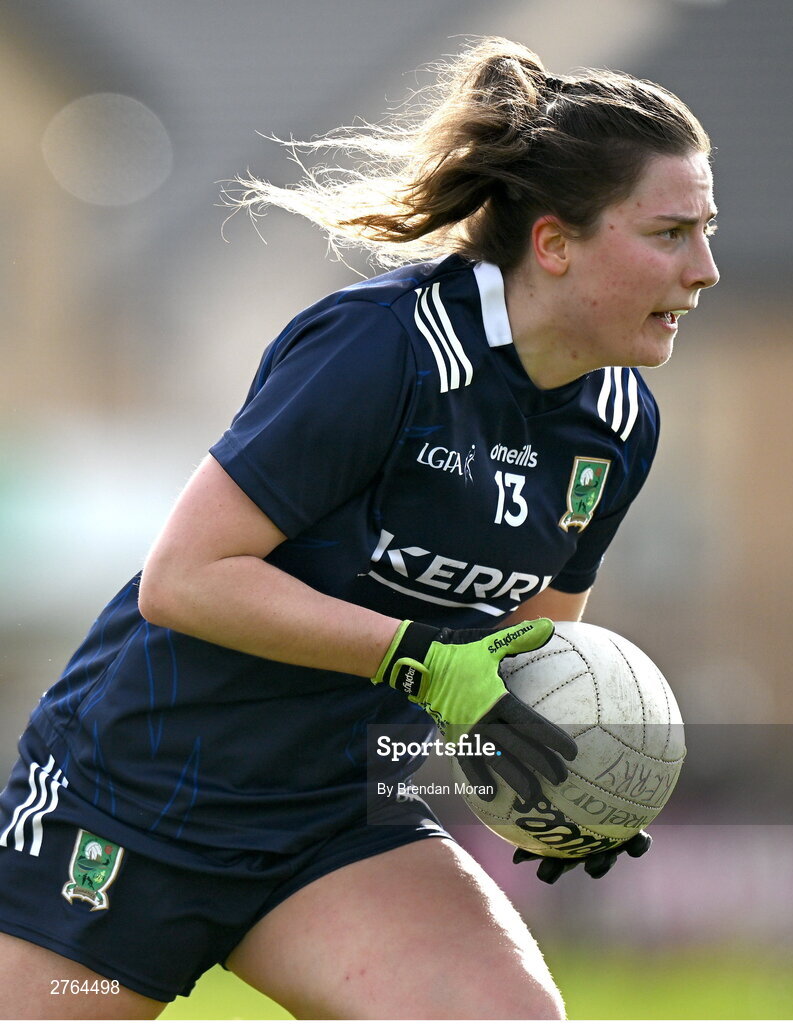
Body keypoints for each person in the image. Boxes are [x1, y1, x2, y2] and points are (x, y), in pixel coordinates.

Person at [0, 37, 719, 1020]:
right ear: (554, 242)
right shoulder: (383, 350)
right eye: (671, 233)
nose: (707, 268)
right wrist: (419, 660)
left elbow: (526, 662)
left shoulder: (619, 427)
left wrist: (564, 776)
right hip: (128, 802)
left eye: (706, 231)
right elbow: (187, 577)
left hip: (332, 827)